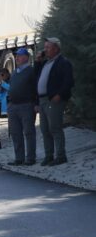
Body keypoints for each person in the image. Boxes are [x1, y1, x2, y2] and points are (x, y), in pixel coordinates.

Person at [35, 37, 75, 166]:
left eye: (48, 47)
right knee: (45, 129)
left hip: (53, 99)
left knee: (55, 128)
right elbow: (36, 78)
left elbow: (68, 81)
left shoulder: (63, 62)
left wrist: (59, 95)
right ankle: (49, 155)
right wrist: (38, 61)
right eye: (45, 47)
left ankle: (61, 156)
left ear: (56, 49)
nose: (45, 50)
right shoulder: (46, 63)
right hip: (42, 100)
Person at [6, 48, 39, 165]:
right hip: (13, 106)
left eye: (19, 55)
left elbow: (37, 88)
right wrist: (9, 103)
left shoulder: (31, 71)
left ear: (26, 57)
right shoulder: (15, 71)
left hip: (27, 105)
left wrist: (36, 104)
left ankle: (30, 158)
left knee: (29, 132)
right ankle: (19, 158)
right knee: (15, 133)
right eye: (16, 56)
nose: (17, 58)